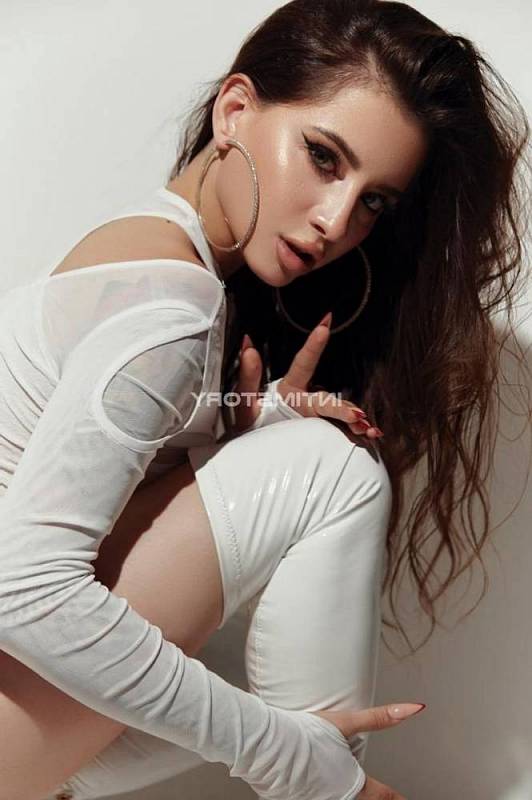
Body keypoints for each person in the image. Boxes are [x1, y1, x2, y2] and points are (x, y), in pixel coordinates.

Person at [0, 1, 530, 799]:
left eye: (374, 202)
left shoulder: (145, 249)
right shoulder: (171, 309)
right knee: (330, 472)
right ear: (235, 110)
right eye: (323, 157)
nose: (335, 222)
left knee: (276, 647)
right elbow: (25, 590)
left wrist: (234, 431)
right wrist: (288, 756)